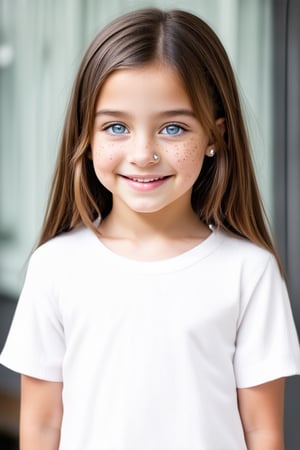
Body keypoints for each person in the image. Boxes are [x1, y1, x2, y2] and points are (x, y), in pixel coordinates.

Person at [1, 8, 300, 450]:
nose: (143, 154)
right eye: (116, 127)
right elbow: (42, 425)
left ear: (215, 135)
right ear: (87, 133)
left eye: (173, 128)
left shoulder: (250, 272)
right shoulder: (55, 267)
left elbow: (262, 431)